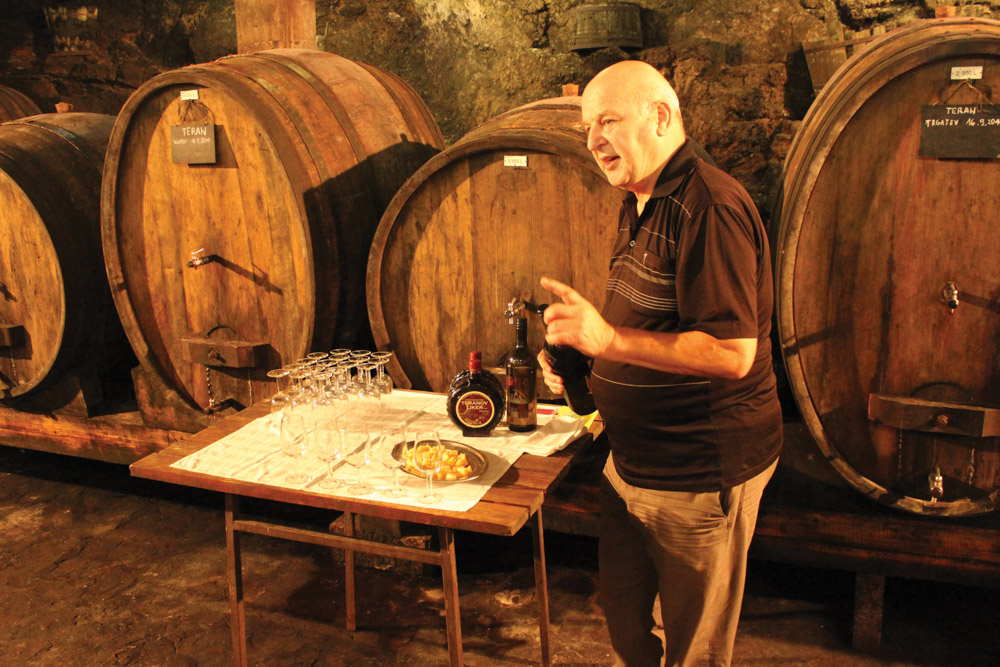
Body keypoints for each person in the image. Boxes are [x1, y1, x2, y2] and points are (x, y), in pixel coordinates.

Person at [538, 60, 782, 666]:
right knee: (624, 626)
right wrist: (579, 358)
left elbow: (732, 352)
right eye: (588, 127)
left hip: (697, 474)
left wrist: (609, 342)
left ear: (662, 116)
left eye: (609, 121)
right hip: (631, 466)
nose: (594, 139)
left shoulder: (711, 207)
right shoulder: (642, 198)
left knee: (692, 649)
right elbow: (651, 322)